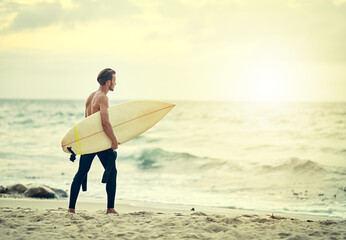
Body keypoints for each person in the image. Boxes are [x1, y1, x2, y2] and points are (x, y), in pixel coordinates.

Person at [68, 68, 119, 215]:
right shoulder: (103, 98)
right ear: (108, 82)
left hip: (90, 142)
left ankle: (71, 209)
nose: (116, 83)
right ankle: (110, 208)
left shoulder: (91, 96)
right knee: (112, 172)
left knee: (81, 173)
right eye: (114, 80)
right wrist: (114, 141)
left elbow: (86, 122)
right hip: (99, 142)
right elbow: (105, 123)